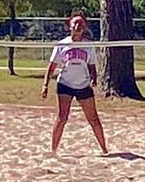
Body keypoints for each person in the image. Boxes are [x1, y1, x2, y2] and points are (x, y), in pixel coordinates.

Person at [41, 13, 108, 156]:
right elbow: (51, 66)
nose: (78, 26)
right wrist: (45, 85)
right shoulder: (62, 44)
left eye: (81, 24)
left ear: (84, 28)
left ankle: (104, 149)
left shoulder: (88, 45)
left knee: (93, 118)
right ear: (70, 26)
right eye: (75, 23)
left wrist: (93, 79)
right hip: (65, 84)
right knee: (62, 117)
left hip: (83, 85)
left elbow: (91, 66)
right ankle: (53, 150)